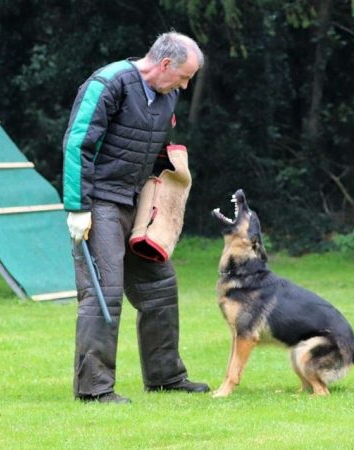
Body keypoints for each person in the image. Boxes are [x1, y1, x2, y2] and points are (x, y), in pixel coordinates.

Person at [62, 31, 209, 403]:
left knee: (160, 287)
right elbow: (78, 144)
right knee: (104, 293)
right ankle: (94, 389)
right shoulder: (108, 83)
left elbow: (158, 148)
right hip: (100, 204)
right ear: (164, 65)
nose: (185, 85)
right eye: (184, 76)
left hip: (136, 203)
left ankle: (166, 378)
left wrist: (165, 196)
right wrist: (78, 207)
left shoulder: (166, 95)